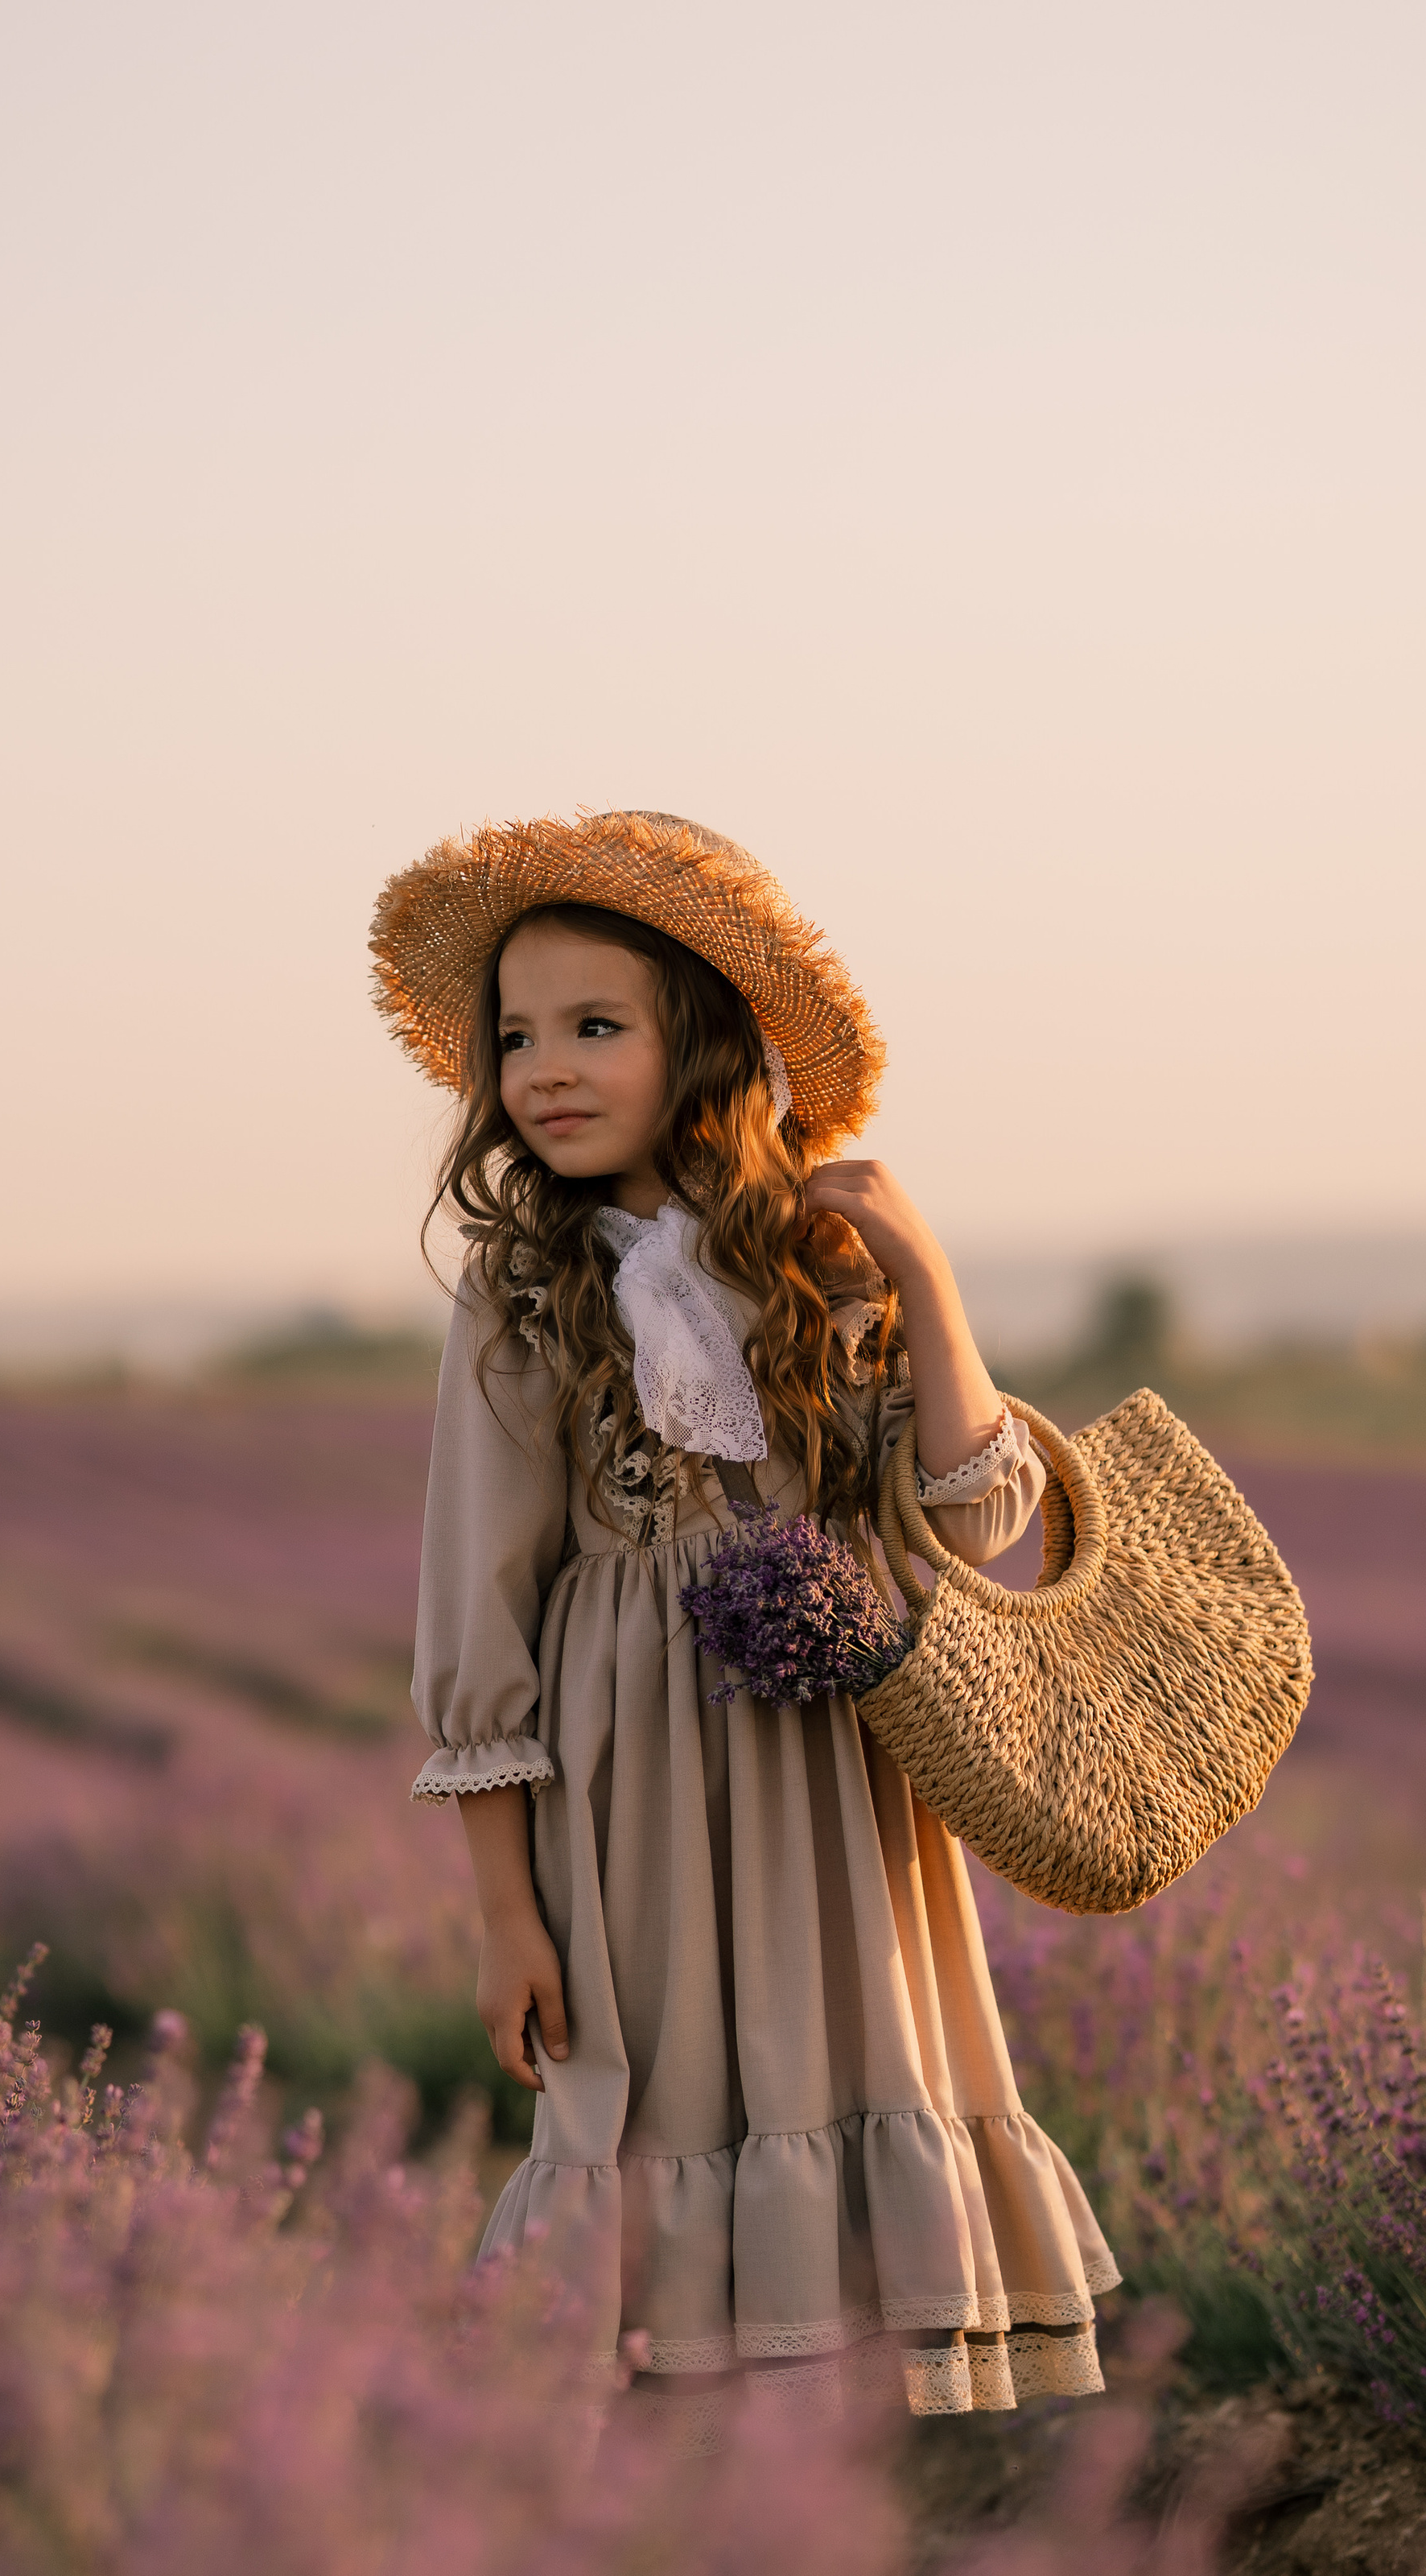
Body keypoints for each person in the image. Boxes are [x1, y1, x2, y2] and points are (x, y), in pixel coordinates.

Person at [369, 811, 1118, 2437]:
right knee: (652, 2124)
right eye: (513, 1038)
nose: (542, 1070)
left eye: (593, 1027)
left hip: (836, 1781)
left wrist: (917, 1270)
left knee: (842, 2114)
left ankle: (826, 2493)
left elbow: (977, 1520)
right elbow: (478, 1619)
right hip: (626, 1794)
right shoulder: (519, 1291)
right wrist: (504, 1912)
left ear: (698, 1041)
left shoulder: (814, 1266)